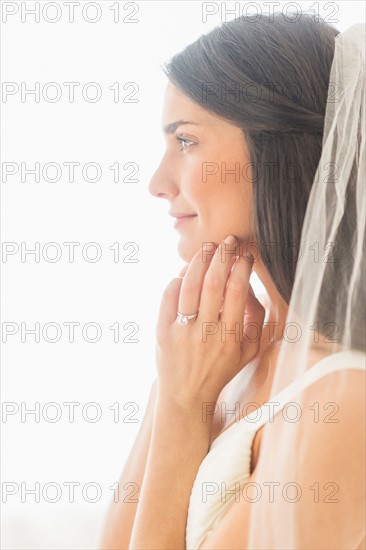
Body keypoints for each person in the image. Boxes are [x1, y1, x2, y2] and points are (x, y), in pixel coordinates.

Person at [100, 12, 365, 550]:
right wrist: (175, 388)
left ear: (275, 149)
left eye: (187, 142)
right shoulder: (205, 365)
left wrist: (181, 410)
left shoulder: (348, 400)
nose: (157, 182)